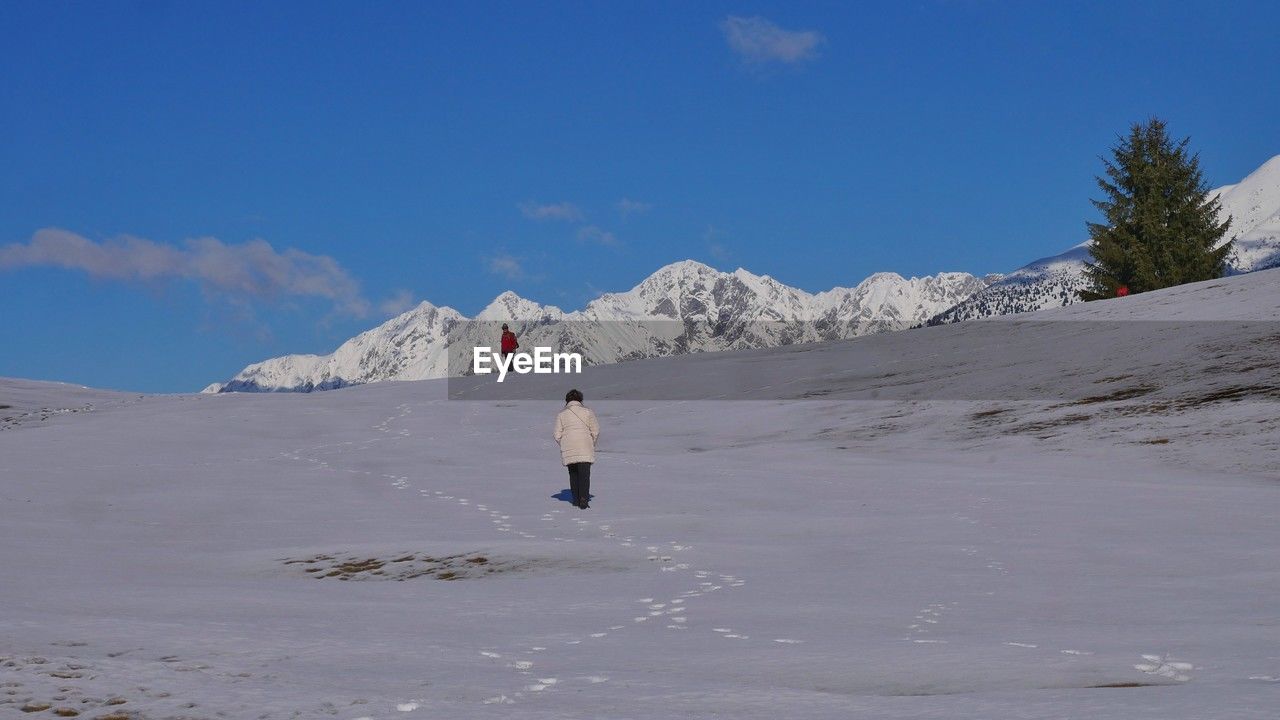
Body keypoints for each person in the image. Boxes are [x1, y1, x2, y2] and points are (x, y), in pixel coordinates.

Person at [554, 389, 599, 509]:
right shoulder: (588, 412)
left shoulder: (561, 415)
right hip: (585, 446)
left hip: (569, 447)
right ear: (580, 399)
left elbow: (557, 434)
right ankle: (584, 498)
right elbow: (595, 431)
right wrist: (591, 442)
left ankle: (575, 500)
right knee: (584, 474)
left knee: (573, 474)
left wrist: (564, 443)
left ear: (567, 400)